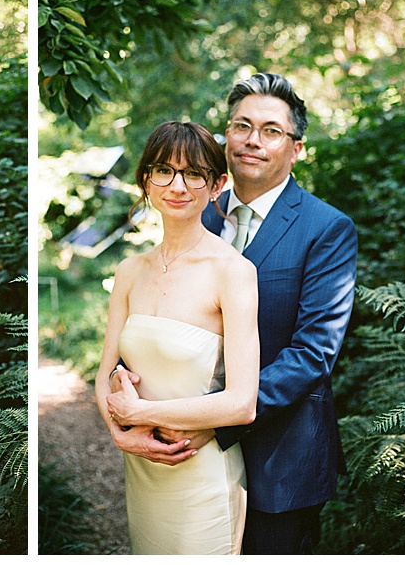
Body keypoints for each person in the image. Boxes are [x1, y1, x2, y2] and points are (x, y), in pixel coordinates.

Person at [108, 73, 358, 554]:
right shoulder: (191, 207)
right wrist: (128, 401)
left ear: (296, 148)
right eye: (241, 126)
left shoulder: (326, 228)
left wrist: (214, 419)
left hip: (279, 458)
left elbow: (314, 353)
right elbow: (154, 314)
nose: (252, 141)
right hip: (175, 457)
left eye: (271, 130)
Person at [96, 121, 260, 554]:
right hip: (142, 467)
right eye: (163, 170)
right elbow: (104, 373)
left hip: (201, 472)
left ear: (217, 184)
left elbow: (241, 404)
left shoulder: (234, 272)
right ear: (146, 180)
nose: (177, 185)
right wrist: (121, 433)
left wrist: (141, 411)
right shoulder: (130, 271)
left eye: (193, 173)